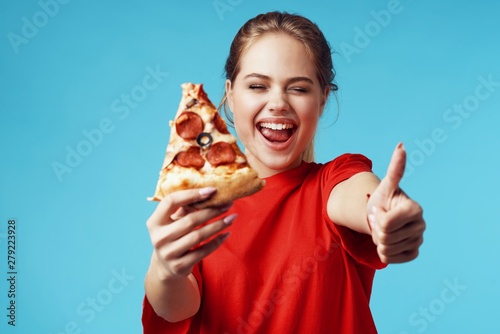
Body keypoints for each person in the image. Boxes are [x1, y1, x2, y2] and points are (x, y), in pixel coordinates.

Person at [142, 11, 425, 333]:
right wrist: (165, 268)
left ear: (322, 100)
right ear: (231, 95)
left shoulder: (333, 179)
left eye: (299, 89)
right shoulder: (197, 204)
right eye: (258, 86)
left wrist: (381, 212)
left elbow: (360, 196)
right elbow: (176, 310)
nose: (278, 103)